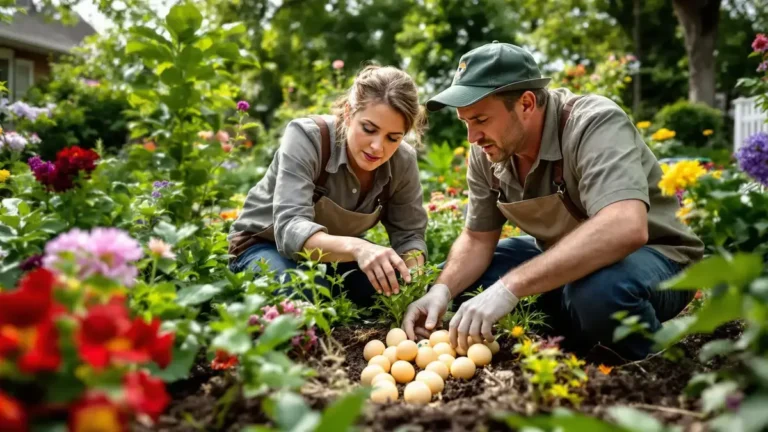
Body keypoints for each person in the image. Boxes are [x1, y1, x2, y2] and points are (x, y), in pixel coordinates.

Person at [402, 41, 704, 360]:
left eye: (480, 120)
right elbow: (477, 238)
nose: (472, 138)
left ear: (527, 103)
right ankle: (574, 331)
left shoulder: (593, 123)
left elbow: (625, 226)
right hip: (566, 264)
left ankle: (662, 364)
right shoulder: (487, 152)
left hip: (656, 259)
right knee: (463, 287)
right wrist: (442, 290)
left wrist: (511, 287)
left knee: (598, 293)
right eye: (466, 122)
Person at [228, 65, 429, 307]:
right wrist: (358, 247)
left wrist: (414, 283)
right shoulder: (308, 138)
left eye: (393, 138)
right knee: (305, 292)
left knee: (395, 286)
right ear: (348, 113)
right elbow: (290, 227)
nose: (378, 147)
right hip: (262, 245)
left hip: (337, 257)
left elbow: (409, 235)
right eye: (369, 129)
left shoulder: (402, 161)